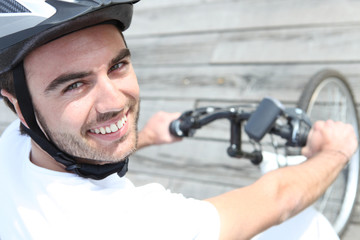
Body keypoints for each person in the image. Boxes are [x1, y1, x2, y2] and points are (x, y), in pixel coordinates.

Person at [0, 1, 357, 239]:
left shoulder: (11, 146)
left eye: (118, 65)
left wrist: (148, 135)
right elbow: (281, 200)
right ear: (18, 106)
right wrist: (335, 153)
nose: (114, 102)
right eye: (74, 85)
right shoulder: (135, 226)